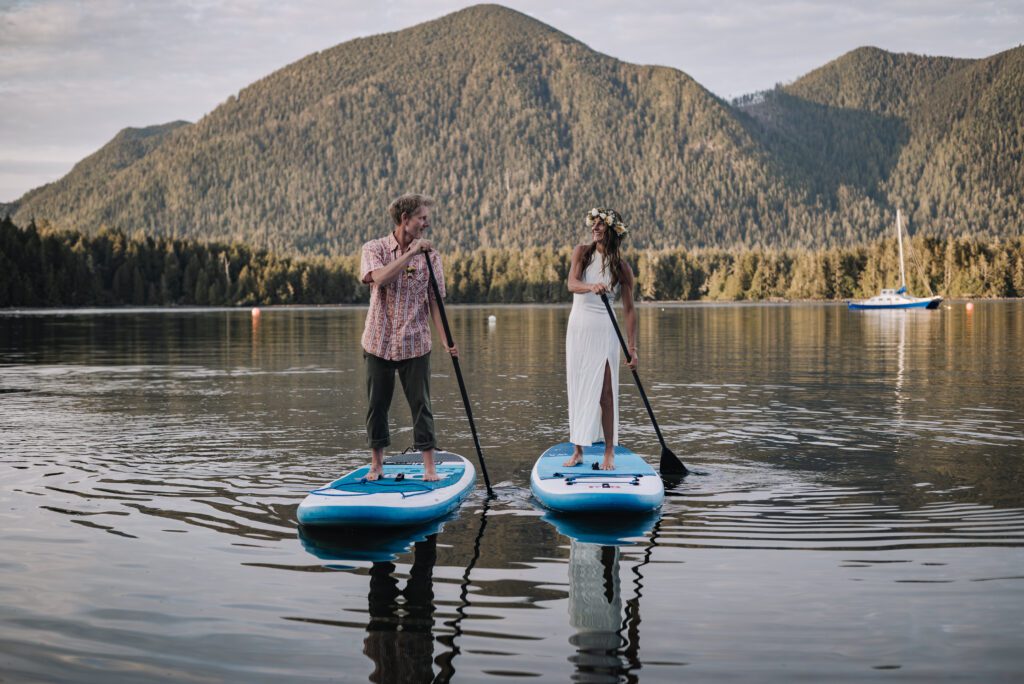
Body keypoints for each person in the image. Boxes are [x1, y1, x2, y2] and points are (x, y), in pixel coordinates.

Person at [360, 193, 457, 482]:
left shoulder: (432, 257)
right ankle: (376, 465)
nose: (426, 224)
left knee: (421, 406)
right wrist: (411, 254)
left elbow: (435, 302)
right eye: (422, 218)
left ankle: (430, 468)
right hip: (378, 342)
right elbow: (379, 278)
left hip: (416, 342)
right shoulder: (374, 248)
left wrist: (446, 340)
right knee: (376, 406)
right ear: (405, 219)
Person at [564, 207, 638, 470]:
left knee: (606, 393)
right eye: (593, 224)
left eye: (600, 225)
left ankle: (609, 451)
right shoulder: (581, 253)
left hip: (605, 329)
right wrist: (590, 286)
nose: (594, 229)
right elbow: (572, 284)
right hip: (579, 327)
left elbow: (629, 310)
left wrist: (632, 347)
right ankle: (578, 450)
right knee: (579, 386)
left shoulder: (621, 267)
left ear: (612, 231)